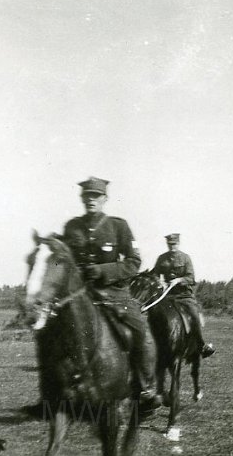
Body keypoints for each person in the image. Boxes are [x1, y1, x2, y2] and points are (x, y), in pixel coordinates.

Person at [61, 176, 161, 411]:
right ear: (81, 199)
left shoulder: (119, 226)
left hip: (115, 295)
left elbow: (133, 262)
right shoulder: (72, 227)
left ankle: (147, 389)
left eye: (95, 196)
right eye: (87, 196)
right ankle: (53, 389)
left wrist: (103, 270)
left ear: (104, 199)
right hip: (81, 295)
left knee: (141, 332)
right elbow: (61, 261)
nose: (91, 200)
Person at [151, 233, 215, 358]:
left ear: (178, 243)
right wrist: (160, 282)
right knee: (153, 314)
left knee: (194, 315)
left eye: (174, 244)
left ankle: (201, 346)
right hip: (167, 296)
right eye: (169, 244)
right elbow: (155, 275)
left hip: (184, 295)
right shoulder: (161, 258)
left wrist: (179, 280)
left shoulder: (186, 258)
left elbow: (191, 278)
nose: (172, 247)